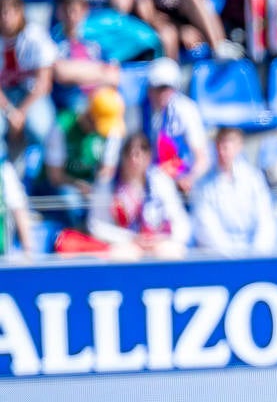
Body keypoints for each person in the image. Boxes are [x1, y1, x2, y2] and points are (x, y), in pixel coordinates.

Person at [88, 131, 192, 260]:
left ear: (148, 157)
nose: (134, 160)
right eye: (129, 154)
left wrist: (159, 239)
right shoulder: (107, 184)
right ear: (122, 157)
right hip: (122, 243)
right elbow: (96, 226)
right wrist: (131, 238)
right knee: (123, 255)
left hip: (156, 242)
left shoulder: (161, 180)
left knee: (171, 252)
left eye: (140, 153)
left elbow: (181, 222)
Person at [42, 86, 125, 229]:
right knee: (71, 201)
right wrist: (79, 185)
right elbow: (55, 177)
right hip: (63, 185)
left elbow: (107, 170)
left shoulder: (112, 130)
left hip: (92, 185)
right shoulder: (62, 127)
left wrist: (97, 188)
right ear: (91, 115)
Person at [192, 126, 277, 256]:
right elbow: (206, 226)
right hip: (219, 258)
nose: (223, 151)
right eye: (220, 144)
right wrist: (231, 257)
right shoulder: (203, 185)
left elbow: (265, 220)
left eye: (229, 144)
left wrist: (256, 254)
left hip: (253, 255)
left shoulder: (254, 178)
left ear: (239, 146)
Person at [0, 0, 58, 162]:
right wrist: (10, 112)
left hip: (30, 94)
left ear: (20, 13)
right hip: (5, 97)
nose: (6, 18)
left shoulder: (35, 36)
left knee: (41, 127)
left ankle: (32, 164)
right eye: (2, 13)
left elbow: (44, 83)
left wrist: (21, 113)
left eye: (10, 12)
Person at [145, 56, 210, 198]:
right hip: (158, 182)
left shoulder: (187, 110)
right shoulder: (147, 112)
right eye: (158, 88)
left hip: (188, 185)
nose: (162, 93)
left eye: (166, 88)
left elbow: (202, 159)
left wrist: (189, 178)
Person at [51, 0, 122, 113]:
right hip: (71, 103)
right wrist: (100, 70)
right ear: (59, 12)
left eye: (75, 10)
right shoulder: (53, 41)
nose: (71, 16)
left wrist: (75, 71)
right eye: (67, 11)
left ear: (84, 11)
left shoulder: (97, 40)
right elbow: (61, 73)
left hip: (99, 97)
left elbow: (114, 76)